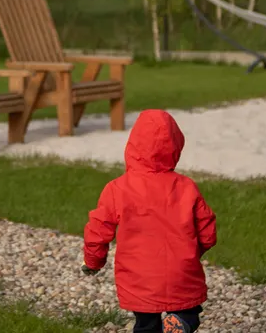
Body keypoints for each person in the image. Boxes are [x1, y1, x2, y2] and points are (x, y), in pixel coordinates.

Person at [81, 109, 217, 333]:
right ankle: (180, 323)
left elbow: (98, 230)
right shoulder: (186, 187)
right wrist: (191, 253)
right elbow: (208, 231)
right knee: (188, 312)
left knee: (146, 323)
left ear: (133, 146)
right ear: (176, 146)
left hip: (139, 277)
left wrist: (93, 262)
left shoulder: (117, 188)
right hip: (181, 271)